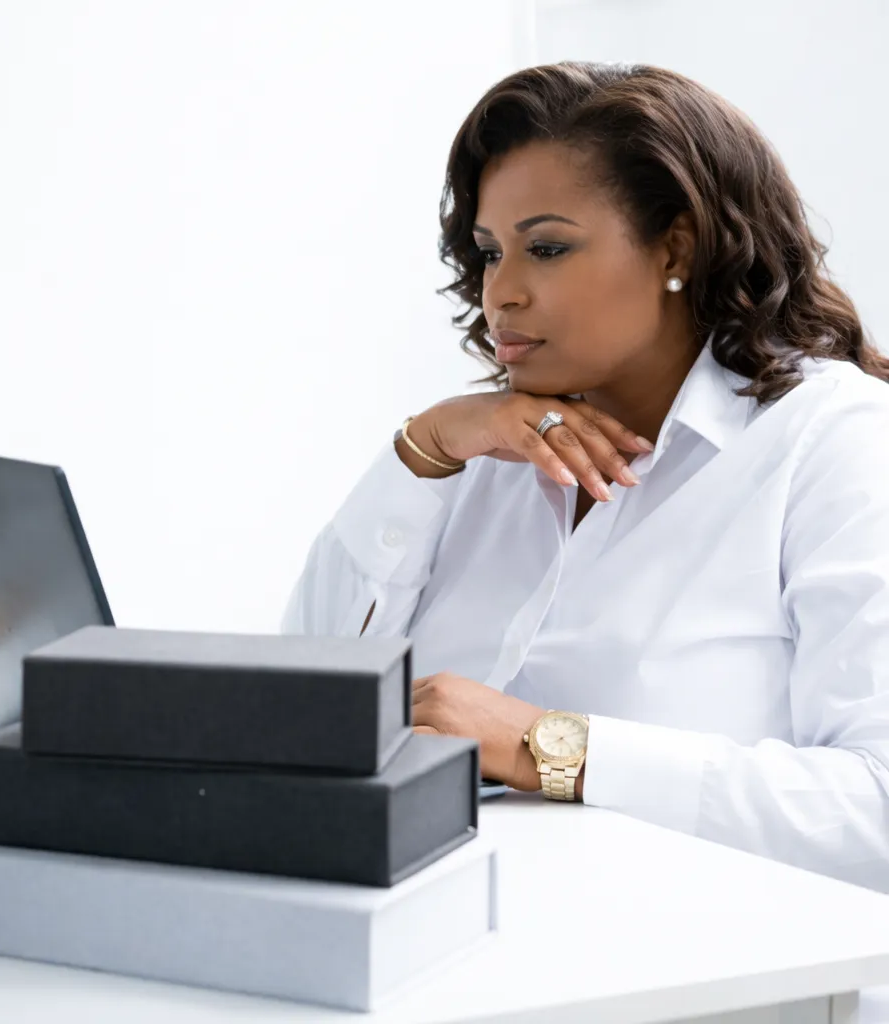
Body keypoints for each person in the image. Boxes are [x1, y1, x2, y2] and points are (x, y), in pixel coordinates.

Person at [280, 61, 889, 895]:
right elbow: (295, 715)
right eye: (489, 253)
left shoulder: (834, 440)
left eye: (548, 248)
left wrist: (549, 747)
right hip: (442, 943)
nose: (501, 293)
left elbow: (875, 812)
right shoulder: (478, 455)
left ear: (676, 246)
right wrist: (423, 451)